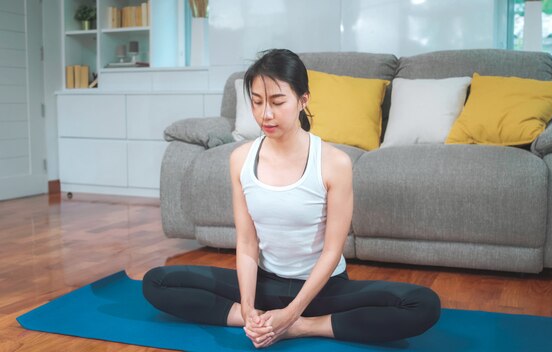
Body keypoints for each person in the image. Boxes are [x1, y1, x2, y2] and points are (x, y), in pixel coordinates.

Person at [142, 48, 441, 348]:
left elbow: (331, 252)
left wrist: (291, 317)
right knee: (156, 281)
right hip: (264, 284)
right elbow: (247, 243)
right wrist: (247, 307)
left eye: (277, 102)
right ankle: (255, 319)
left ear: (303, 100)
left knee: (422, 304)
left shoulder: (333, 163)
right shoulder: (241, 159)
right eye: (257, 103)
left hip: (322, 291)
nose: (265, 114)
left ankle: (305, 327)